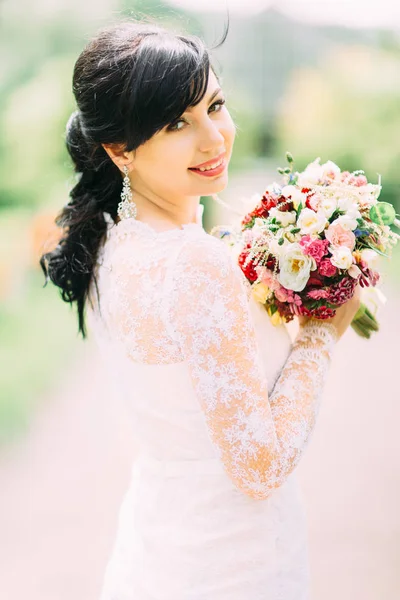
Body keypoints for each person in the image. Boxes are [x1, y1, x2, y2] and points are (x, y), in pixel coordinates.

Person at [40, 18, 361, 600]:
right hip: (234, 569)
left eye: (215, 105)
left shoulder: (111, 245)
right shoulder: (192, 264)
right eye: (176, 123)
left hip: (157, 553)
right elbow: (259, 466)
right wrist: (319, 334)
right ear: (120, 149)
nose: (214, 138)